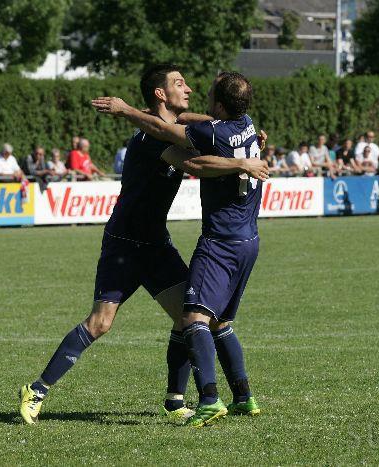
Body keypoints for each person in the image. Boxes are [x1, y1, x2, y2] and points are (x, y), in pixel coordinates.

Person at [20, 64, 268, 427]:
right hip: (124, 243)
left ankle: (175, 399)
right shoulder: (152, 138)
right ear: (160, 94)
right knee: (100, 323)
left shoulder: (176, 121)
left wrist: (238, 140)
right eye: (179, 83)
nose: (190, 88)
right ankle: (36, 390)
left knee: (189, 318)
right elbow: (196, 163)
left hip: (156, 244)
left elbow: (196, 121)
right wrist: (241, 159)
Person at [92, 70, 266, 427]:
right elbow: (186, 121)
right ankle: (244, 397)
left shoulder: (213, 133)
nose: (192, 91)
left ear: (218, 104)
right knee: (221, 321)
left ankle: (209, 400)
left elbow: (173, 137)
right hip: (249, 239)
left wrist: (126, 111)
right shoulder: (244, 124)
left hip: (220, 242)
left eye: (207, 92)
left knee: (192, 319)